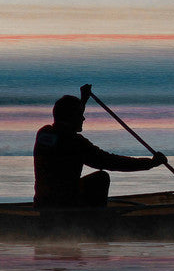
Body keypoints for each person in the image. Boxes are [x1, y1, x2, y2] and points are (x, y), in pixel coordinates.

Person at [34, 84, 166, 208]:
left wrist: (83, 101)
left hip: (43, 202)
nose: (84, 119)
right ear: (72, 117)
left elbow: (66, 124)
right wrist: (150, 164)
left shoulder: (44, 134)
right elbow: (110, 162)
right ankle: (96, 222)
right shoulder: (75, 143)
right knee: (101, 178)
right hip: (64, 204)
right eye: (81, 115)